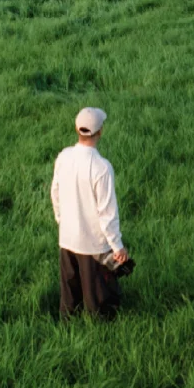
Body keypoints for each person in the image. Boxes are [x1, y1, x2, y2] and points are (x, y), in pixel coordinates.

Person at [51, 107, 130, 320]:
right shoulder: (102, 167)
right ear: (100, 131)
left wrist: (62, 221)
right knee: (98, 299)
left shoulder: (64, 157)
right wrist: (117, 247)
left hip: (67, 238)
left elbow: (55, 192)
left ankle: (68, 325)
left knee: (70, 293)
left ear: (77, 129)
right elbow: (107, 212)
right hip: (93, 243)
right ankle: (100, 328)